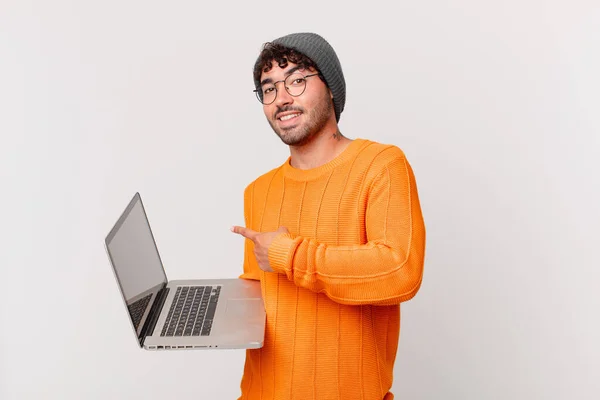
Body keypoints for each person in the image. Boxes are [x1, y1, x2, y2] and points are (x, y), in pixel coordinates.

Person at [231, 32, 426, 400]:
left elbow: (400, 271)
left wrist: (288, 254)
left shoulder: (382, 166)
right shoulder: (258, 191)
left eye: (297, 80)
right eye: (268, 88)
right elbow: (262, 297)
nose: (282, 98)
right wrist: (214, 315)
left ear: (332, 88)